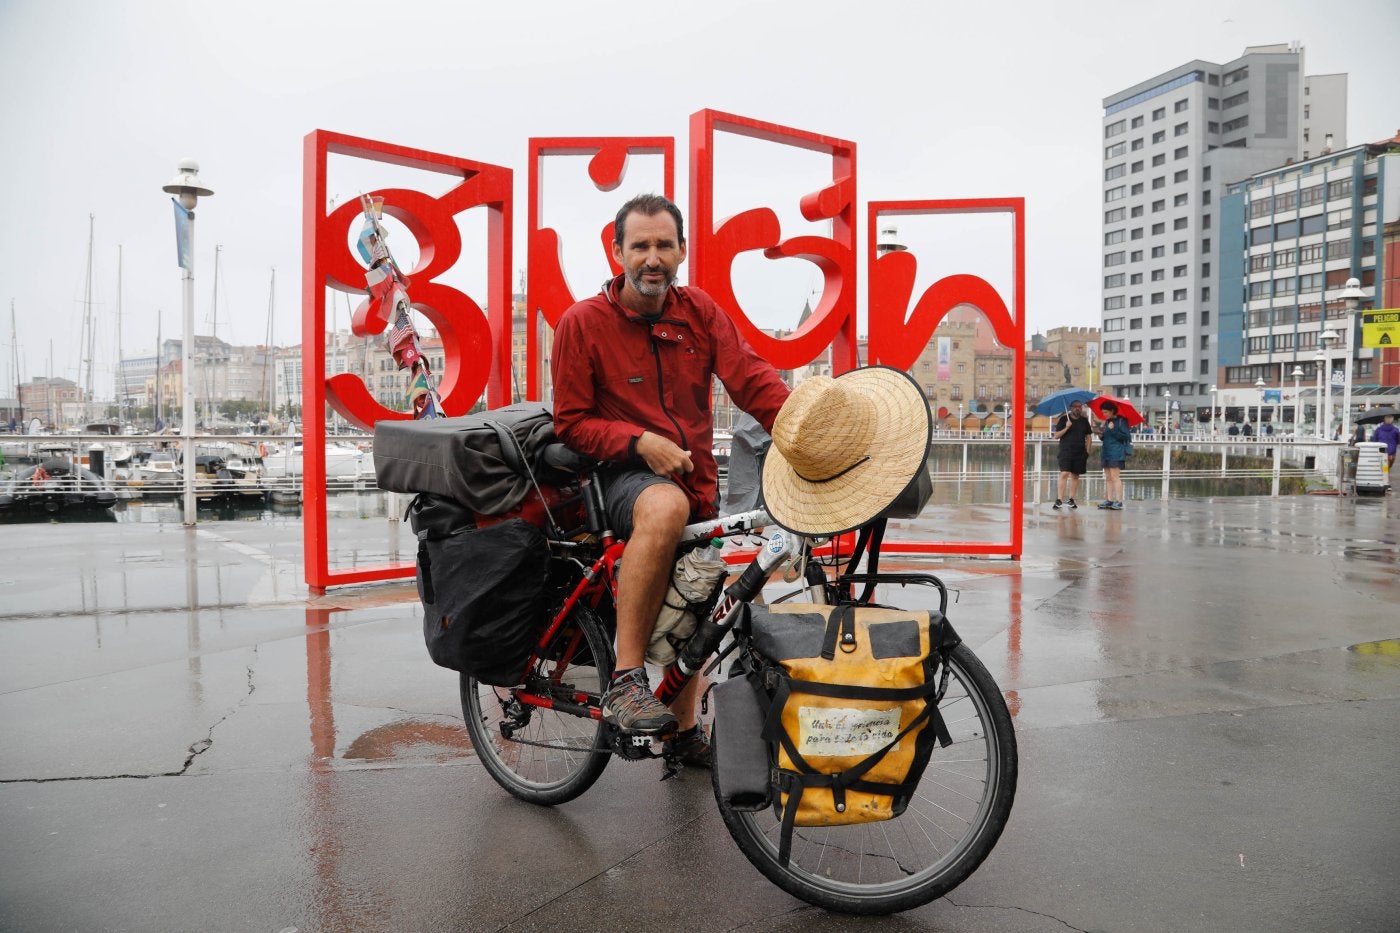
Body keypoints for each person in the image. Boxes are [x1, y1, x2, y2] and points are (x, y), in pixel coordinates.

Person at [550, 194, 790, 760]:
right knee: (664, 509)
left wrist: (807, 431)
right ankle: (626, 681)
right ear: (618, 252)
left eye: (663, 245)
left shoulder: (699, 312)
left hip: (694, 480)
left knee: (704, 598)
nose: (652, 257)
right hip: (617, 480)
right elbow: (570, 423)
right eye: (640, 246)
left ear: (682, 250)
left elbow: (751, 380)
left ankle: (682, 734)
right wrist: (638, 443)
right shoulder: (582, 323)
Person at [1051, 400, 1093, 510]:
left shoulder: (1084, 421)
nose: (1078, 408)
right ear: (1071, 408)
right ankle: (1059, 499)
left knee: (1075, 476)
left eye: (1080, 406)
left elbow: (1089, 437)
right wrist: (1066, 427)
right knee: (1064, 473)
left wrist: (1087, 451)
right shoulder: (1064, 419)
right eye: (1075, 407)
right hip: (1066, 451)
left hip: (1080, 452)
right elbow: (1056, 435)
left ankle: (1071, 499)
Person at [1092, 401, 1132, 510]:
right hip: (1106, 452)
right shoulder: (1107, 422)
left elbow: (1126, 436)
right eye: (1103, 412)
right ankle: (1109, 500)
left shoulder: (1121, 421)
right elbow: (1105, 437)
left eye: (1105, 412)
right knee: (1108, 478)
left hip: (1116, 452)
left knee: (1115, 477)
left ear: (1112, 411)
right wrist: (1100, 433)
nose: (1104, 414)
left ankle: (1119, 501)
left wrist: (1112, 429)